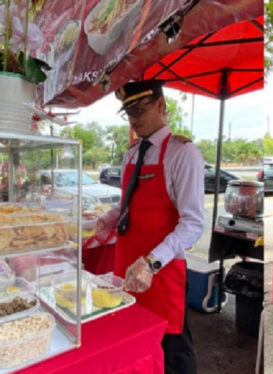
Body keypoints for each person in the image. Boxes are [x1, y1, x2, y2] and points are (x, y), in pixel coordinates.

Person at [95, 78, 204, 374]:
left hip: (161, 271)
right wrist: (102, 221)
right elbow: (126, 204)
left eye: (140, 110)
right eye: (129, 114)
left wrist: (151, 263)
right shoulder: (131, 152)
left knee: (172, 352)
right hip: (126, 266)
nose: (134, 119)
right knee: (133, 345)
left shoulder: (182, 153)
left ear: (160, 105)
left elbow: (193, 224)